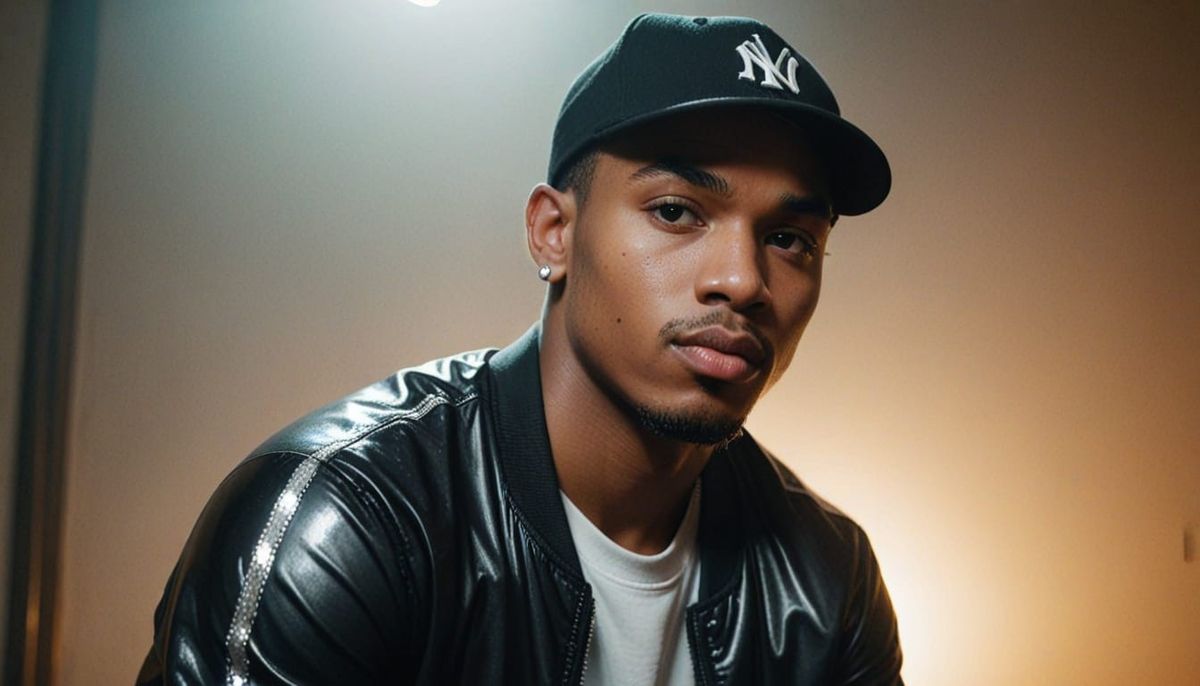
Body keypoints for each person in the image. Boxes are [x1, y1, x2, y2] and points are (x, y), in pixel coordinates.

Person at [138, 13, 903, 685]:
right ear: (554, 232)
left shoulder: (827, 579)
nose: (742, 281)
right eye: (676, 211)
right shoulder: (347, 525)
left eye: (790, 239)